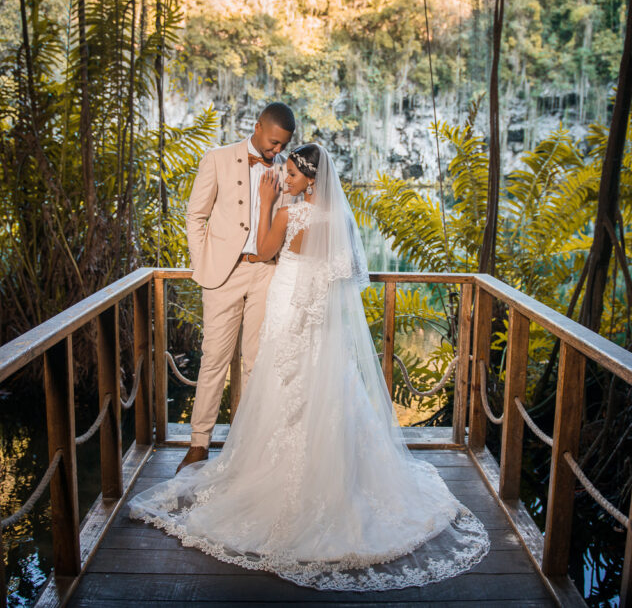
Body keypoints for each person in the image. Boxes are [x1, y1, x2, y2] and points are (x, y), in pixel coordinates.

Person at [129, 143, 490, 591]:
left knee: (282, 386)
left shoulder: (290, 214)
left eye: (294, 176)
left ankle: (276, 482)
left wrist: (264, 203)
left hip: (287, 308)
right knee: (325, 390)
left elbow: (262, 252)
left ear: (311, 180)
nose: (286, 179)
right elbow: (344, 274)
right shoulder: (338, 220)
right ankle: (332, 476)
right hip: (319, 322)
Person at [178, 103, 296, 474]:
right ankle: (199, 444)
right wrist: (203, 265)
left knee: (256, 363)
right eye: (274, 143)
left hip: (266, 273)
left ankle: (246, 448)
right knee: (213, 359)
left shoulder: (284, 171)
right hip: (222, 276)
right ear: (258, 126)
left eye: (283, 146)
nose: (277, 152)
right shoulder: (217, 158)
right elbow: (195, 215)